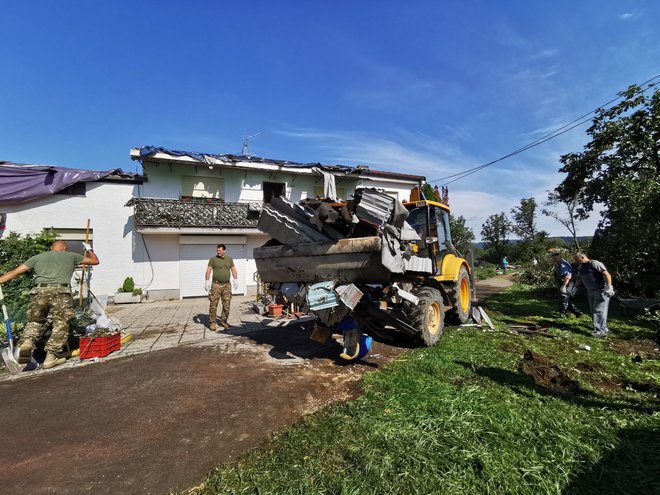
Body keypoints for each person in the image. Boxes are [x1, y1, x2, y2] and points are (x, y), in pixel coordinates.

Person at [0, 240, 100, 369]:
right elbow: (95, 261)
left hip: (39, 291)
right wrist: (89, 249)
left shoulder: (37, 257)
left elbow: (15, 272)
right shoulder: (71, 256)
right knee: (60, 324)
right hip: (61, 292)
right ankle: (50, 358)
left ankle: (27, 342)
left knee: (35, 321)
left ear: (51, 248)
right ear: (65, 248)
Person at [574, 252, 614, 338]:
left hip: (600, 290)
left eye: (577, 260)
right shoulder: (581, 267)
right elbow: (579, 279)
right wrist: (575, 288)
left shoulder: (594, 263)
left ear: (582, 257)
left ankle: (599, 331)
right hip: (590, 290)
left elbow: (607, 274)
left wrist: (609, 287)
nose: (576, 262)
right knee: (593, 310)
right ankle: (603, 328)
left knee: (599, 310)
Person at [204, 244, 238, 331]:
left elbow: (233, 269)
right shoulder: (213, 259)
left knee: (227, 304)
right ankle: (212, 323)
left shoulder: (229, 259)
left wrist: (235, 279)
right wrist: (207, 281)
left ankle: (224, 321)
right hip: (216, 285)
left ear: (224, 251)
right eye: (217, 250)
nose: (218, 252)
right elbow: (208, 270)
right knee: (213, 304)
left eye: (219, 250)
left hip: (227, 285)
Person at [550, 252, 582, 318]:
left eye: (555, 257)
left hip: (566, 283)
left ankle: (562, 314)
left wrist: (563, 286)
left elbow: (567, 276)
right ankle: (577, 312)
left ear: (559, 256)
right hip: (563, 283)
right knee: (566, 299)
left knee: (563, 299)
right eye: (553, 258)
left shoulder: (563, 264)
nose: (553, 259)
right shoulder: (559, 264)